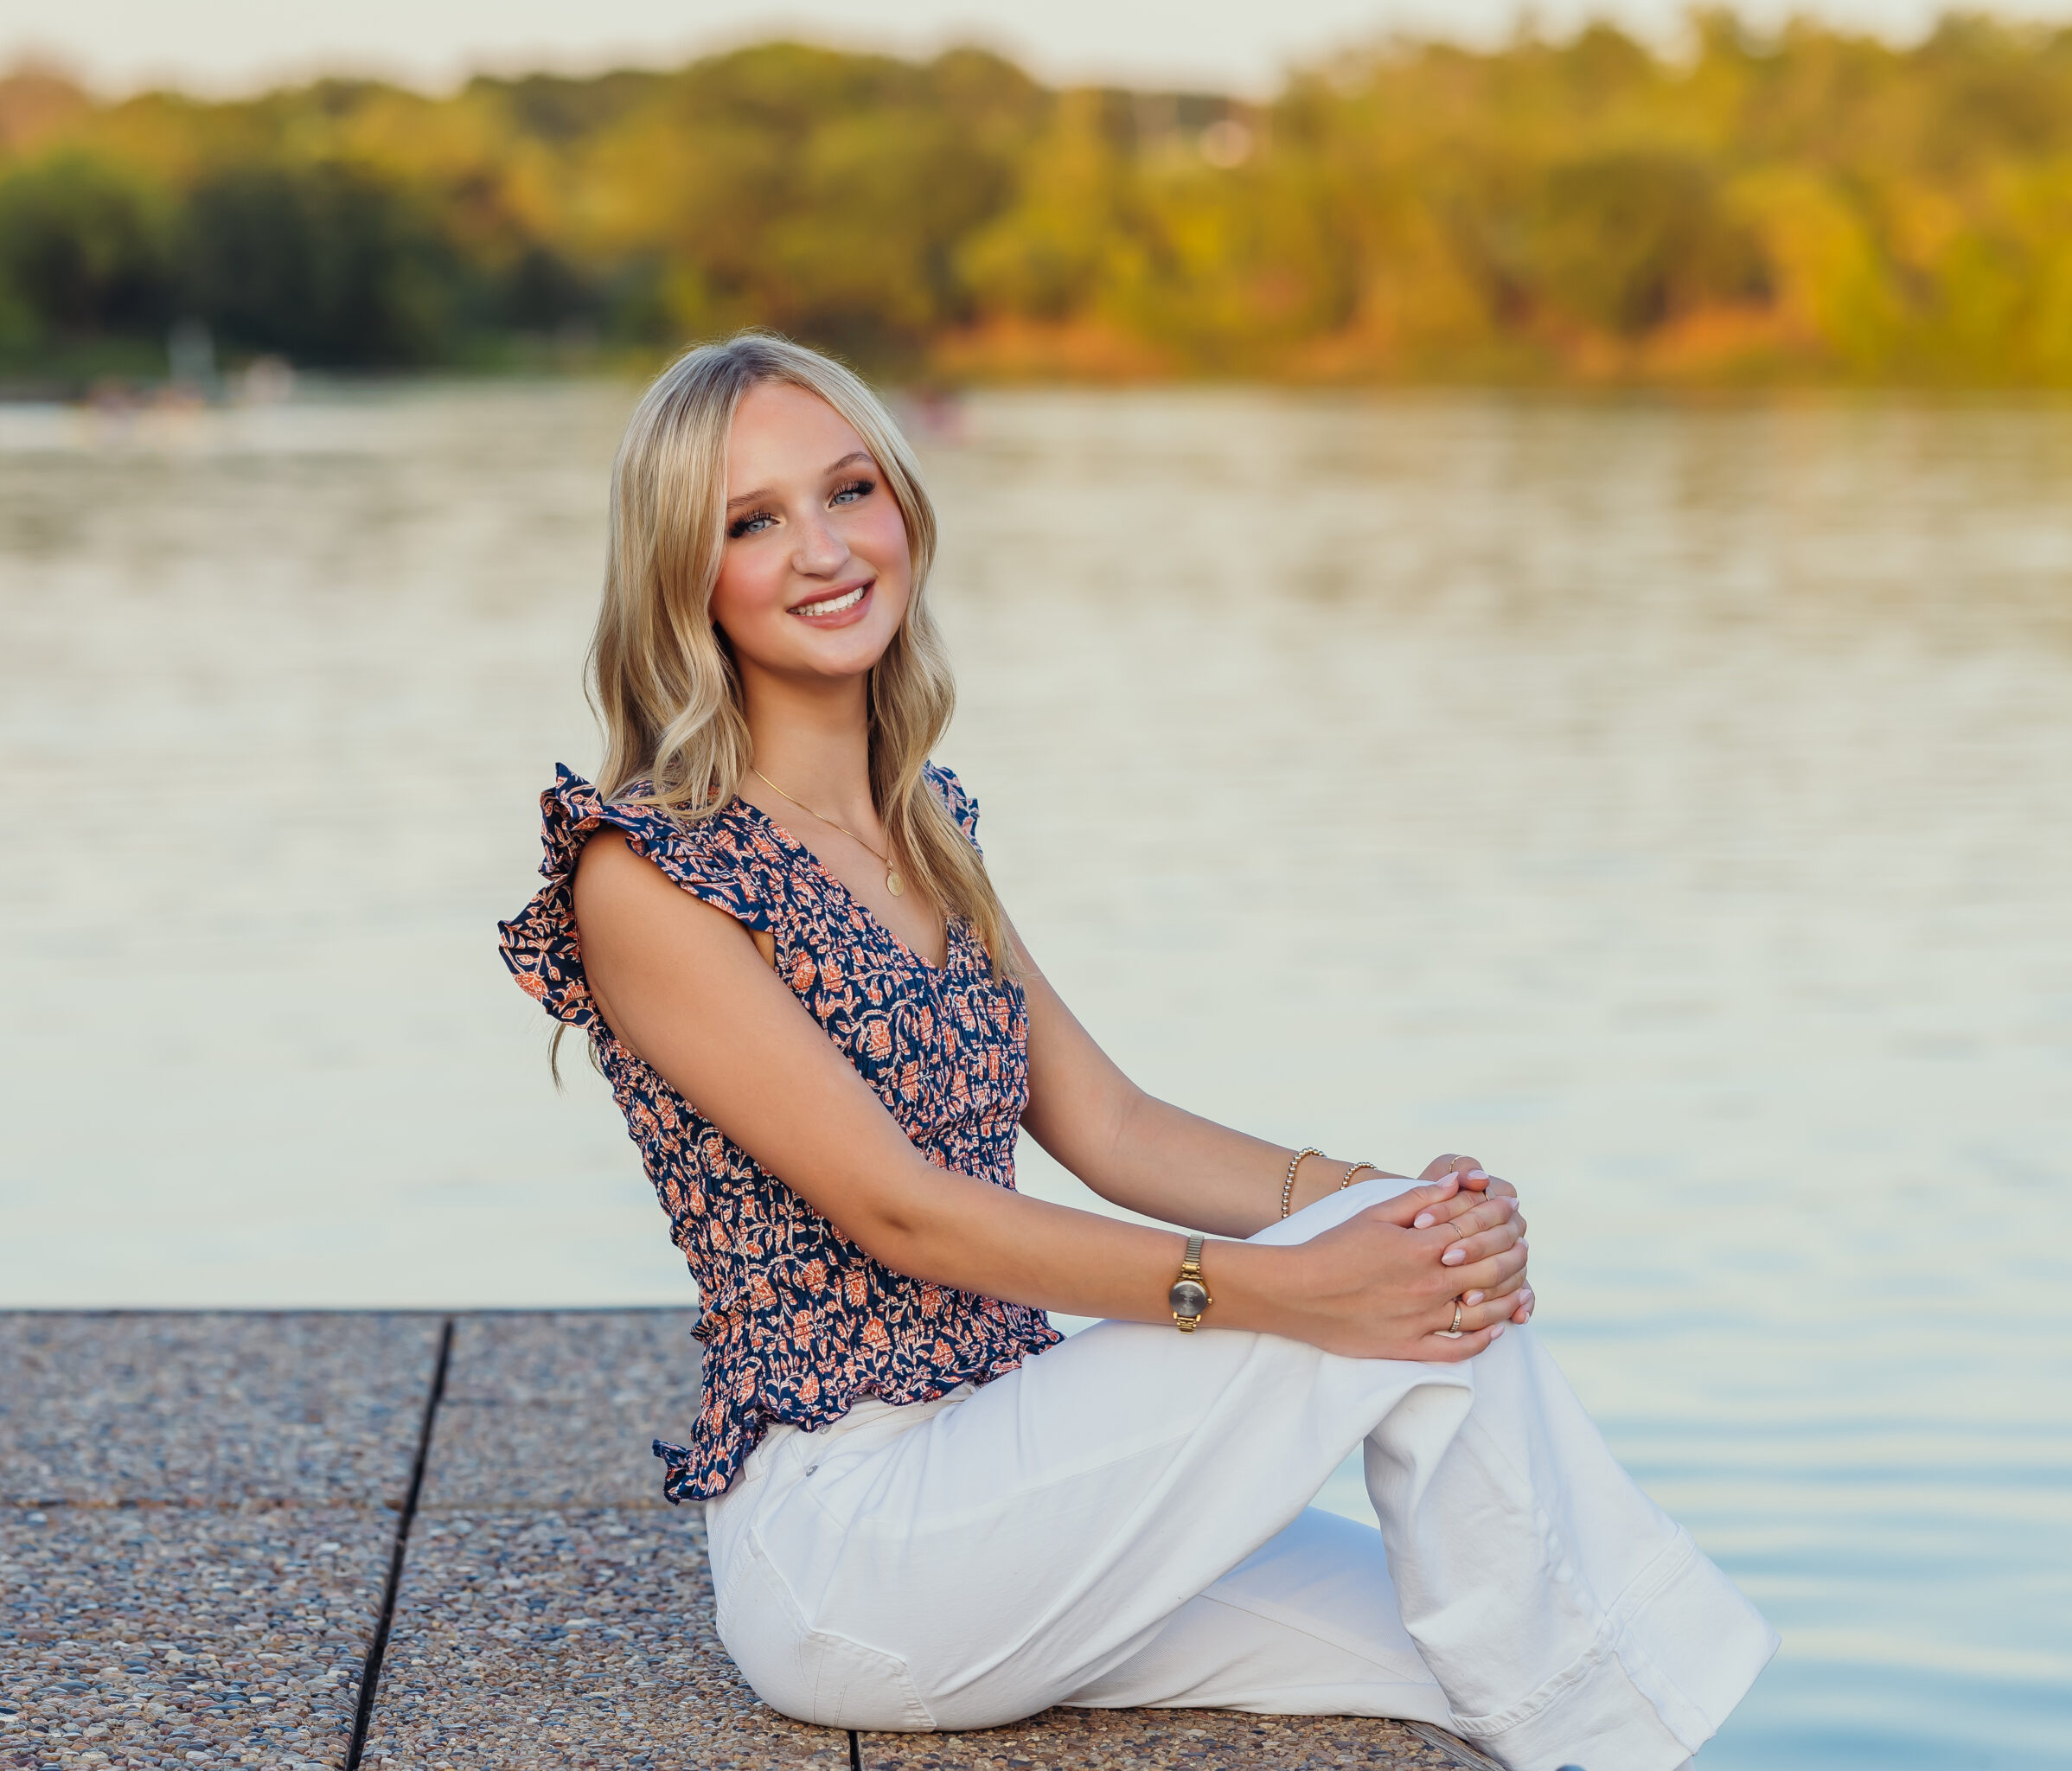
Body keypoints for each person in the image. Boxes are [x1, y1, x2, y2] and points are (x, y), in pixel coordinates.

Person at [498, 332, 1777, 1771]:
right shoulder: (649, 872)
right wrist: (1292, 1289)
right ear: (688, 575)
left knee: (1493, 1650)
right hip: (859, 1550)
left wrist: (1412, 1197)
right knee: (1407, 1324)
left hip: (1024, 1487)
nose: (824, 547)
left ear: (905, 506)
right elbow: (897, 1211)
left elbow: (1110, 1124)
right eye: (754, 521)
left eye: (849, 490)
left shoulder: (920, 827)